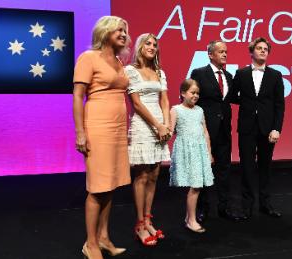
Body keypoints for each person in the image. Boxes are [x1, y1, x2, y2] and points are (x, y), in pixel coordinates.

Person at [73, 16, 130, 259]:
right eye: (119, 29)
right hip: (98, 127)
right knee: (97, 187)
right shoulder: (89, 58)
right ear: (105, 31)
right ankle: (91, 244)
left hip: (117, 129)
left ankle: (104, 238)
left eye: (125, 31)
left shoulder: (118, 61)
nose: (124, 34)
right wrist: (80, 132)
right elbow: (78, 96)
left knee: (111, 185)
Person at [229, 37, 285, 220]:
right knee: (246, 167)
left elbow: (279, 105)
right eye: (259, 48)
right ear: (251, 52)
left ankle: (265, 204)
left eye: (265, 49)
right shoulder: (241, 74)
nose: (263, 51)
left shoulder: (275, 75)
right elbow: (231, 96)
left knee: (265, 166)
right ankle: (247, 206)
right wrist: (246, 103)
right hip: (246, 127)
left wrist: (277, 128)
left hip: (267, 128)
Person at [124, 33, 171, 246]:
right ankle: (139, 225)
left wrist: (167, 125)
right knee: (142, 175)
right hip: (144, 126)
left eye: (155, 44)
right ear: (140, 47)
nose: (152, 47)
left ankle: (149, 219)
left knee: (154, 174)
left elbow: (165, 100)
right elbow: (137, 104)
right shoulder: (131, 71)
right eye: (148, 44)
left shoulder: (159, 72)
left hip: (161, 128)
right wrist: (157, 125)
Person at [190, 40, 240, 222]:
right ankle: (203, 209)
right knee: (204, 170)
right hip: (205, 130)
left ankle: (224, 207)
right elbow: (191, 98)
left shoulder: (228, 76)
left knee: (224, 169)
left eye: (226, 52)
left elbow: (234, 98)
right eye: (221, 52)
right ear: (210, 54)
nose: (225, 54)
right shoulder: (199, 73)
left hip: (225, 130)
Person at [169, 79, 214, 233]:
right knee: (195, 185)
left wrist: (209, 152)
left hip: (199, 151)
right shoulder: (176, 110)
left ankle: (190, 218)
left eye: (197, 93)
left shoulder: (200, 110)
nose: (195, 96)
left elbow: (205, 132)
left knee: (197, 185)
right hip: (185, 151)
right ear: (183, 93)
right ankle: (191, 220)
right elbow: (169, 131)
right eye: (192, 92)